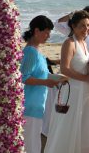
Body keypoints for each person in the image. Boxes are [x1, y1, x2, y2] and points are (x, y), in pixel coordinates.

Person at [44, 10, 89, 153]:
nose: (86, 29)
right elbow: (65, 68)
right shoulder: (69, 43)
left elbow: (82, 65)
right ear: (73, 26)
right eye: (82, 26)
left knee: (84, 127)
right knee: (69, 127)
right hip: (73, 92)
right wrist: (86, 78)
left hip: (86, 91)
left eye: (88, 25)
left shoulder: (84, 44)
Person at [20, 15, 62, 153]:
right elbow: (24, 77)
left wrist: (55, 79)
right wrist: (46, 82)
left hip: (37, 105)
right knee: (30, 145)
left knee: (34, 144)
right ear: (36, 31)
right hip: (30, 105)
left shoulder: (37, 51)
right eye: (46, 32)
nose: (48, 36)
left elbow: (41, 74)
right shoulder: (31, 52)